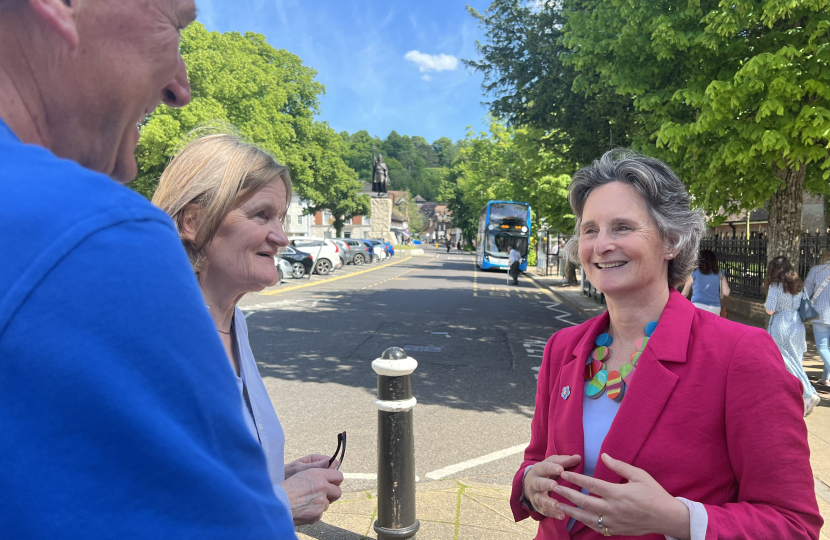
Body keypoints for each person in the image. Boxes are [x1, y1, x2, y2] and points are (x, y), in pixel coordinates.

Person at [0, 0, 296, 538]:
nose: (180, 88)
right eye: (173, 24)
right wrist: (275, 504)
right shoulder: (98, 236)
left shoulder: (233, 320)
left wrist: (269, 483)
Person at [513, 151, 821, 539]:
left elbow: (793, 524)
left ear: (672, 241)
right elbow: (536, 457)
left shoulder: (740, 354)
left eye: (622, 227)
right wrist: (529, 484)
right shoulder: (563, 346)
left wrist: (677, 518)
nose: (601, 244)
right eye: (590, 230)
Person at [153, 133, 344, 525]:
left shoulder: (232, 319)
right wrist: (279, 503)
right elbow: (143, 508)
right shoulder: (155, 337)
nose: (282, 237)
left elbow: (206, 478)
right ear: (193, 221)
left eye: (281, 218)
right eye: (261, 215)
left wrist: (275, 476)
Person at [764, 256, 821, 415]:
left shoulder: (775, 286)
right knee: (796, 361)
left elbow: (770, 310)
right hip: (797, 325)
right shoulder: (799, 285)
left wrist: (766, 304)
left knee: (787, 361)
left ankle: (808, 393)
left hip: (781, 326)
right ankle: (796, 396)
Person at [805, 249, 830, 386]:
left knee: (822, 347)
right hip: (823, 314)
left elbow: (806, 292)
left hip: (821, 315)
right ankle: (826, 378)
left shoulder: (816, 270)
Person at [680, 249, 730, 315]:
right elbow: (726, 292)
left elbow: (684, 293)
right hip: (715, 307)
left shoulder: (693, 273)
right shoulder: (720, 273)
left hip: (697, 306)